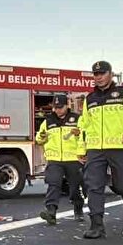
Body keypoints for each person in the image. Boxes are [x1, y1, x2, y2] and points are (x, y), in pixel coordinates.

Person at [78, 61, 123, 239]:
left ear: (111, 74)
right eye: (95, 74)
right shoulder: (89, 99)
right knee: (94, 186)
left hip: (118, 147)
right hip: (95, 149)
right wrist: (81, 149)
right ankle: (96, 225)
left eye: (102, 73)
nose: (98, 77)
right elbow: (84, 125)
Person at [36, 94, 85, 225]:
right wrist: (41, 136)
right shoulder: (48, 121)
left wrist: (82, 152)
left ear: (67, 105)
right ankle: (51, 212)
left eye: (60, 107)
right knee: (54, 184)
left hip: (73, 159)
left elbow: (85, 136)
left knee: (74, 187)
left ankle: (78, 208)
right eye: (55, 107)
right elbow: (39, 140)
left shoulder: (77, 119)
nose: (58, 110)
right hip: (54, 159)